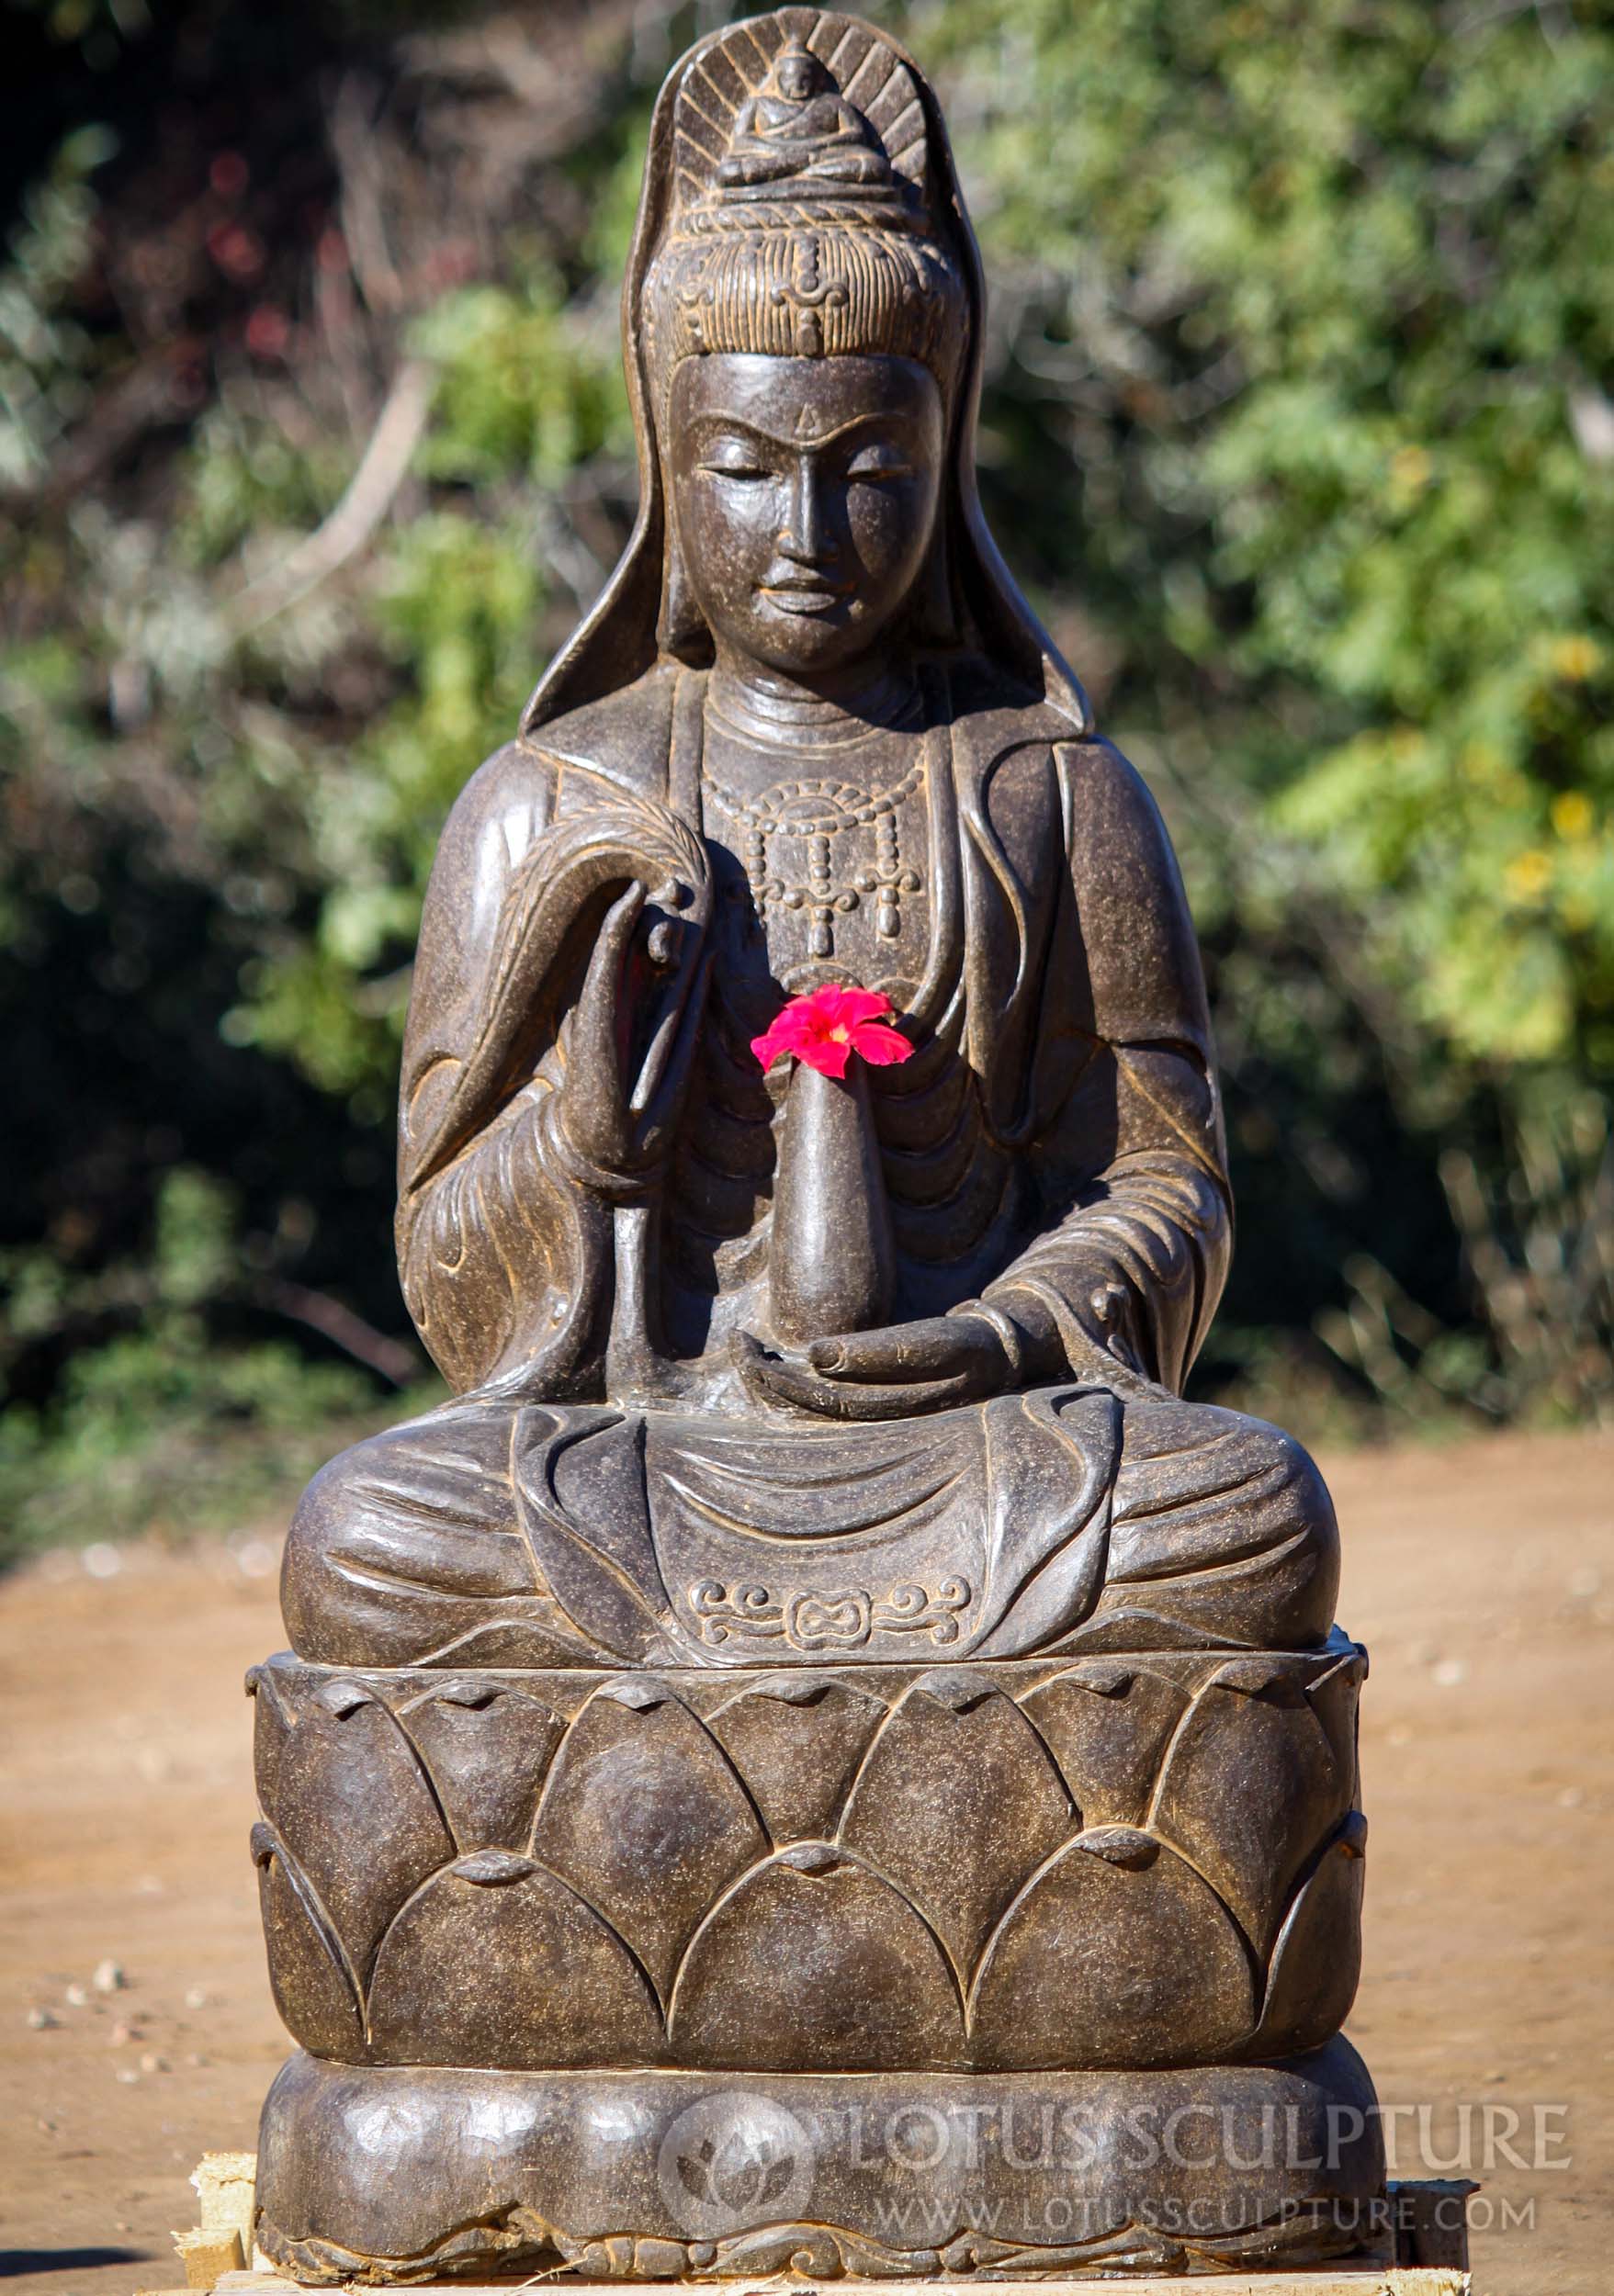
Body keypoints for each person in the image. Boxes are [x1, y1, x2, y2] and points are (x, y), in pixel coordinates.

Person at [282, 17, 1338, 1674]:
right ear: (664, 462)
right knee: (373, 1536)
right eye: (746, 470)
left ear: (943, 466)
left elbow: (1162, 1179)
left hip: (981, 1442)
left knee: (1246, 1512)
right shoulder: (548, 806)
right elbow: (444, 1262)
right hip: (652, 1454)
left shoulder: (1049, 791)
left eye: (868, 472)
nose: (805, 537)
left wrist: (998, 1332)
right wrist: (588, 1140)